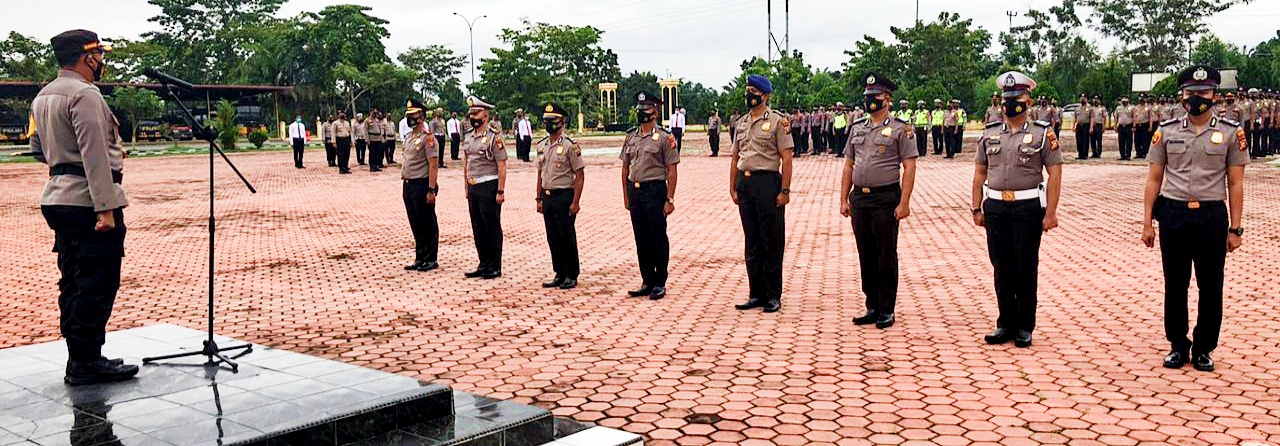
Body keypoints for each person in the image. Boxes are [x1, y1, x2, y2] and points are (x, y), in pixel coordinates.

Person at [31, 29, 139, 385]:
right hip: (88, 201)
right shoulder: (84, 95)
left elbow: (37, 149)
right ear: (87, 56)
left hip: (58, 196)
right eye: (99, 55)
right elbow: (95, 154)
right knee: (98, 280)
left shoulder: (44, 95)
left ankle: (79, 355)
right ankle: (87, 361)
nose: (102, 61)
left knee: (74, 280)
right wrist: (105, 208)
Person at [1142, 65, 1247, 373]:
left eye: (1203, 92)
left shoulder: (1230, 133)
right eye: (1191, 93)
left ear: (1214, 94)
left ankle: (1203, 347)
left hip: (1212, 215)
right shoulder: (1167, 131)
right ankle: (1177, 345)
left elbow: (1236, 182)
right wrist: (1147, 222)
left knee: (1211, 285)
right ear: (1182, 96)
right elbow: (1153, 179)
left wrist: (1236, 227)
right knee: (1175, 283)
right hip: (1172, 213)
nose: (1197, 98)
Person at [972, 70, 1063, 349]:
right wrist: (976, 207)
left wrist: (1050, 213)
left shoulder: (1042, 133)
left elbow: (1055, 173)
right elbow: (979, 172)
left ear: (1028, 101)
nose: (1010, 103)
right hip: (996, 206)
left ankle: (1024, 325)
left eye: (1016, 98)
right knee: (1001, 266)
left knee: (1025, 266)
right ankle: (1004, 322)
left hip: (1027, 207)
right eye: (1006, 98)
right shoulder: (989, 134)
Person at [840, 72, 918, 329]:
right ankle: (871, 304)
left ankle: (887, 308)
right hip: (860, 199)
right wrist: (844, 199)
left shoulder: (901, 129)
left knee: (885, 253)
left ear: (887, 99)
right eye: (867, 96)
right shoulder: (857, 128)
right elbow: (849, 165)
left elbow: (909, 167)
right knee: (866, 254)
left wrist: (904, 202)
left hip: (885, 197)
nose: (870, 100)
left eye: (875, 96)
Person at [729, 75, 794, 314]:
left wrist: (785, 190)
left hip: (768, 183)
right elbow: (735, 157)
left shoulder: (778, 122)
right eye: (747, 91)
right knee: (752, 242)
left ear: (764, 95)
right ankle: (755, 293)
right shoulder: (742, 122)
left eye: (753, 91)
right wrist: (732, 186)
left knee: (771, 241)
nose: (749, 95)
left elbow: (786, 158)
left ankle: (773, 295)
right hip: (745, 184)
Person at [621, 91, 679, 300]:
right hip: (635, 192)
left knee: (657, 237)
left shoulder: (665, 137)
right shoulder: (631, 136)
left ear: (655, 111)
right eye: (639, 109)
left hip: (655, 192)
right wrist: (626, 195)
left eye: (645, 109)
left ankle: (659, 282)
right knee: (641, 238)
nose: (641, 112)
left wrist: (669, 199)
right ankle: (646, 280)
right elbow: (625, 167)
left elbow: (672, 170)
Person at [536, 102, 586, 290]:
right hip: (547, 196)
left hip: (564, 196)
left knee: (567, 236)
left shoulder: (569, 146)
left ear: (562, 121)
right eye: (546, 121)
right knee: (552, 237)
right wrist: (538, 198)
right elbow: (540, 174)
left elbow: (579, 175)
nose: (549, 124)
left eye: (553, 121)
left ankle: (571, 274)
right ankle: (559, 272)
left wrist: (576, 201)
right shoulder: (542, 145)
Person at [462, 96, 507, 279]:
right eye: (471, 113)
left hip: (489, 186)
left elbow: (502, 165)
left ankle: (494, 265)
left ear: (486, 116)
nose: (473, 117)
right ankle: (483, 263)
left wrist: (500, 190)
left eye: (476, 113)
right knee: (478, 227)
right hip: (473, 187)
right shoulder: (469, 137)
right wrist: (466, 187)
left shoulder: (493, 138)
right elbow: (467, 163)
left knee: (491, 227)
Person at [401, 99, 441, 272]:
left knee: (427, 221)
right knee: (415, 222)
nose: (410, 118)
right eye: (408, 115)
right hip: (408, 184)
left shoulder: (428, 139)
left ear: (422, 117)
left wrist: (431, 189)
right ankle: (420, 256)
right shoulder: (409, 137)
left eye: (413, 115)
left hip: (422, 184)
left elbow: (433, 165)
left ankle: (431, 258)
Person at [1075, 95, 1092, 160]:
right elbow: (1075, 117)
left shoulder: (1090, 108)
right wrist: (1074, 126)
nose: (1082, 99)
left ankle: (1085, 155)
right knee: (1079, 140)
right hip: (1079, 125)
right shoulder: (1077, 108)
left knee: (1085, 140)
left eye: (1084, 98)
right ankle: (1080, 154)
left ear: (1086, 99)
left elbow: (1092, 118)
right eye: (1081, 98)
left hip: (1086, 125)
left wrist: (1091, 127)